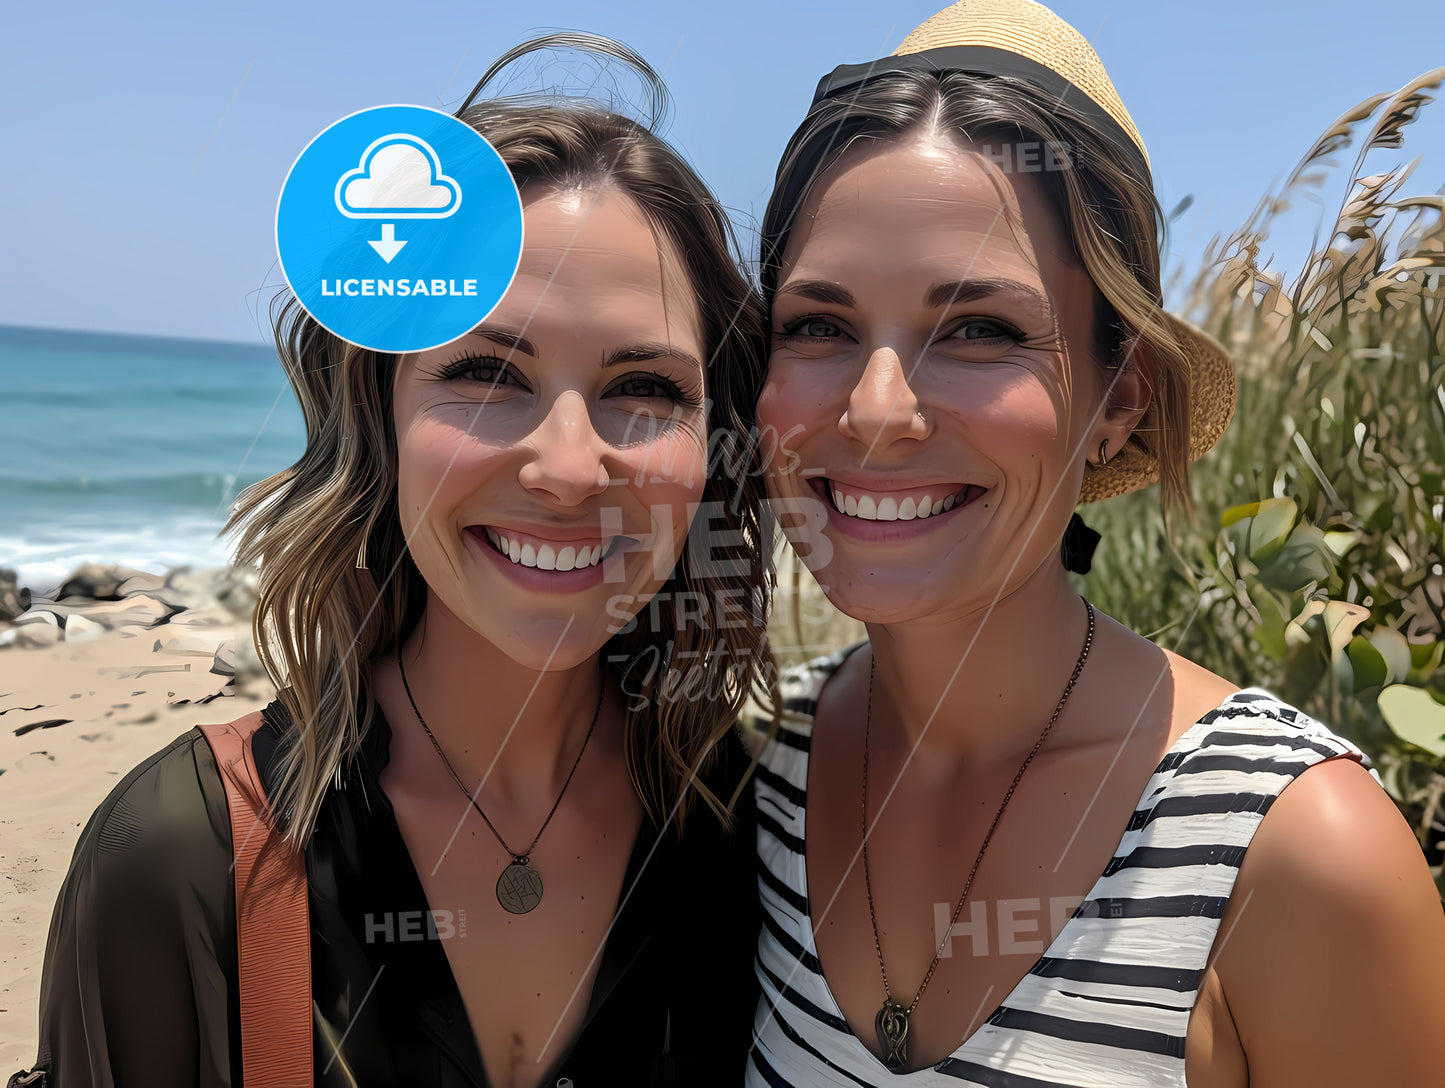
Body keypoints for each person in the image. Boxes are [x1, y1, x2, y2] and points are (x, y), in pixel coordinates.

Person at [13, 34, 774, 1088]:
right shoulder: (177, 854)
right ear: (378, 416)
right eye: (482, 371)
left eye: (645, 388)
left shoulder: (765, 841)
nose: (565, 465)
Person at [744, 2, 1445, 1085]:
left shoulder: (1295, 856)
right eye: (819, 325)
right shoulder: (759, 768)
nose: (876, 408)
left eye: (975, 328)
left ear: (1119, 394)